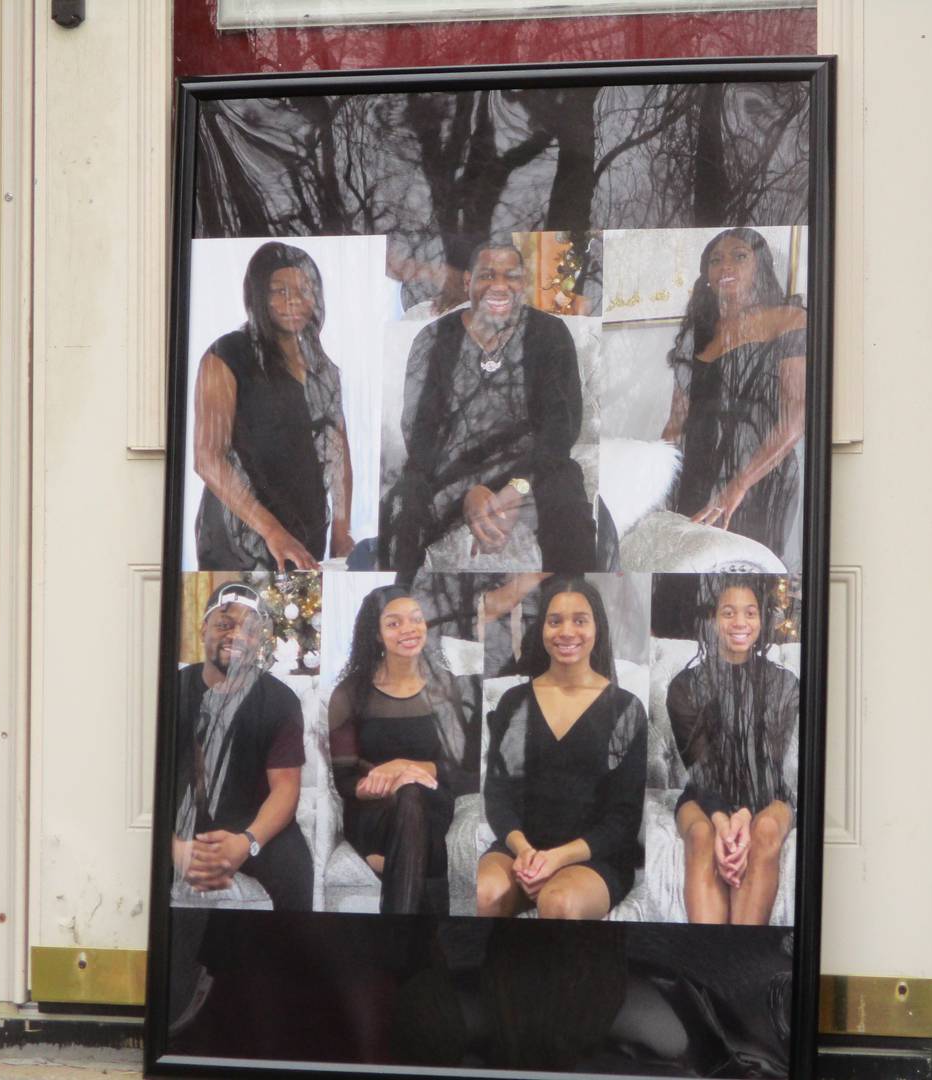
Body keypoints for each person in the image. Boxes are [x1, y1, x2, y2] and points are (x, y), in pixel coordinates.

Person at [381, 239, 597, 574]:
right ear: (468, 282)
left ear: (522, 284)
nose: (499, 286)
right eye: (487, 276)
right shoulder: (433, 340)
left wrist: (514, 490)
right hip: (447, 474)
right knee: (402, 506)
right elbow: (420, 433)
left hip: (533, 474)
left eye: (510, 276)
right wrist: (466, 491)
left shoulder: (549, 334)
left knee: (568, 502)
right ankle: (398, 601)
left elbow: (561, 427)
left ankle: (566, 593)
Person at [477, 577, 647, 920]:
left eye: (580, 620)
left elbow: (624, 818)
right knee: (485, 893)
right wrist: (525, 852)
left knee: (558, 902)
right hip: (521, 849)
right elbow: (497, 795)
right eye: (555, 621)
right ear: (542, 628)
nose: (566, 632)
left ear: (597, 627)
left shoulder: (626, 709)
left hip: (592, 858)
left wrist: (556, 858)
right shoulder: (515, 702)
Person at [194, 242, 353, 571]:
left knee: (302, 622)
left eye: (304, 289)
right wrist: (273, 532)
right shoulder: (228, 354)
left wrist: (341, 531)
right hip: (240, 538)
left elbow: (339, 456)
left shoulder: (324, 370)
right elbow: (207, 458)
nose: (294, 300)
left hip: (306, 536)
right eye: (279, 290)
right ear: (258, 297)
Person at [329, 585, 479, 915]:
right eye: (394, 623)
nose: (408, 629)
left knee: (412, 794)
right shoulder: (349, 693)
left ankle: (395, 935)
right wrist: (372, 787)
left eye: (416, 619)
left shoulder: (447, 688)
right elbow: (344, 781)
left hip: (433, 804)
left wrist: (405, 767)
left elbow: (466, 774)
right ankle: (423, 946)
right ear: (377, 634)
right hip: (373, 811)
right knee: (415, 822)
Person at [661, 229, 806, 563]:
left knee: (746, 570)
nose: (725, 265)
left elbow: (796, 416)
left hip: (757, 480)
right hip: (695, 475)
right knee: (689, 572)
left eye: (739, 255)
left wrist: (739, 484)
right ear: (707, 276)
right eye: (715, 260)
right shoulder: (698, 337)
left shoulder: (789, 320)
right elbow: (676, 423)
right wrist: (656, 486)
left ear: (761, 266)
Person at [173, 581, 313, 910]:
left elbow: (285, 789)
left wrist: (247, 843)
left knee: (297, 871)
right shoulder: (171, 691)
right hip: (180, 825)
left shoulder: (279, 700)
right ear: (203, 627)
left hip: (255, 824)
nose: (237, 635)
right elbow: (142, 784)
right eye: (225, 624)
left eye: (249, 629)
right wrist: (172, 846)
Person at [668, 576, 798, 925]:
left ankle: (742, 952)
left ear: (761, 619)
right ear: (713, 620)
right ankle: (706, 960)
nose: (740, 623)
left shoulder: (785, 684)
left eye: (750, 612)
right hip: (703, 796)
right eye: (728, 612)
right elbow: (701, 768)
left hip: (768, 793)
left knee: (766, 830)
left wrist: (744, 817)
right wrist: (723, 820)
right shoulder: (684, 687)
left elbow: (767, 763)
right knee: (701, 836)